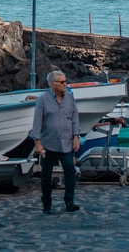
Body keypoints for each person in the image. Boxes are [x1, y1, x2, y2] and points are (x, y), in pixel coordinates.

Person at [31, 70, 81, 215]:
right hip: (48, 143)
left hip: (66, 142)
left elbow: (74, 118)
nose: (65, 84)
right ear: (53, 84)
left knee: (70, 171)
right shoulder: (43, 99)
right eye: (62, 82)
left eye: (66, 81)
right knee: (46, 175)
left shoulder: (70, 99)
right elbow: (37, 122)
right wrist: (37, 142)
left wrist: (76, 136)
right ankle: (47, 204)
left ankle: (69, 202)